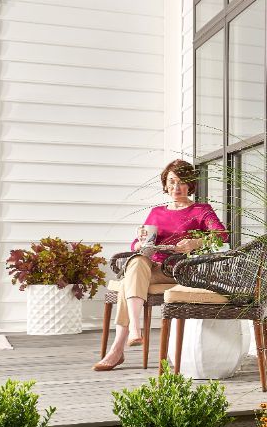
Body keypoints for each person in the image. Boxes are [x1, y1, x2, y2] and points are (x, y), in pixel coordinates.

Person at [93, 159, 227, 371]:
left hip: (180, 270)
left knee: (129, 279)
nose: (176, 187)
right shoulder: (157, 212)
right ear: (165, 183)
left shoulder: (201, 210)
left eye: (182, 182)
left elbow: (221, 234)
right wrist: (140, 243)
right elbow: (138, 243)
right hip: (154, 267)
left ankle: (118, 348)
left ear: (190, 184)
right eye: (172, 181)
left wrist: (195, 243)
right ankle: (135, 330)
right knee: (136, 261)